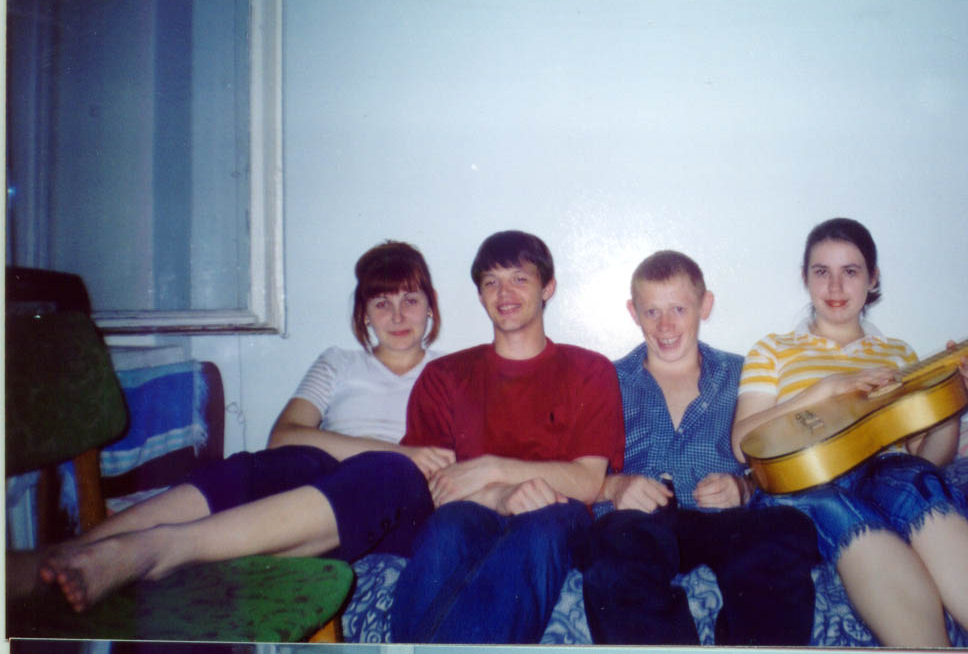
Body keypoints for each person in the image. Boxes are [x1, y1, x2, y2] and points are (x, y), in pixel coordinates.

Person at [36, 241, 454, 612]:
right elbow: (284, 435)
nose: (397, 315)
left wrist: (401, 459)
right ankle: (75, 551)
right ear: (363, 313)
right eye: (381, 303)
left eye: (410, 300)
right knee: (297, 459)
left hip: (397, 509)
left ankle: (162, 549)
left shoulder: (455, 372)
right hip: (321, 494)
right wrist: (399, 450)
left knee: (389, 471)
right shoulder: (338, 362)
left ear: (430, 305)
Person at [732, 218, 968, 648]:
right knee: (844, 516)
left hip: (887, 471)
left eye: (850, 271)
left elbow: (928, 456)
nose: (835, 286)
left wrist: (952, 400)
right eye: (821, 271)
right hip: (808, 479)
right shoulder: (773, 350)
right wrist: (824, 390)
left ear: (872, 278)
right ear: (805, 278)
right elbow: (742, 443)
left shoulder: (897, 354)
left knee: (920, 487)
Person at [390, 230, 625, 643]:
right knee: (446, 530)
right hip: (471, 510)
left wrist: (489, 468)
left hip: (555, 515)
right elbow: (433, 489)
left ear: (547, 288)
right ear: (480, 295)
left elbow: (588, 482)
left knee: (540, 527)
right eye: (491, 282)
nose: (504, 293)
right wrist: (500, 495)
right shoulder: (444, 376)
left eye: (519, 278)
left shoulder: (590, 370)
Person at [581, 250, 819, 645]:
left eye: (679, 309)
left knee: (784, 528)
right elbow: (580, 469)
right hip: (637, 525)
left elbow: (776, 460)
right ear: (633, 312)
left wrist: (743, 487)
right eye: (652, 312)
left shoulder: (744, 375)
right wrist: (615, 487)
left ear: (705, 306)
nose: (666, 325)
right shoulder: (605, 380)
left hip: (722, 521)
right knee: (611, 551)